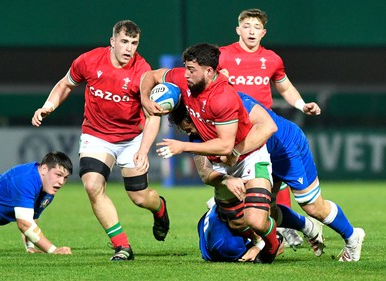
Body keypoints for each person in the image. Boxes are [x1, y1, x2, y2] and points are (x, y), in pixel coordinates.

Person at [31, 20, 169, 261]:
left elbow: (153, 116)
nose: (129, 48)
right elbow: (66, 84)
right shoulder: (89, 61)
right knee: (93, 185)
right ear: (112, 41)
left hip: (131, 138)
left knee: (139, 197)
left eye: (134, 43)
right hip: (96, 135)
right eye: (124, 42)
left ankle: (160, 209)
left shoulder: (142, 72)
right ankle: (122, 246)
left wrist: (144, 150)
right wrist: (48, 106)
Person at [170, 93, 365, 262]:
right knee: (263, 211)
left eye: (189, 128)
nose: (191, 133)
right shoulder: (204, 127)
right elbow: (206, 172)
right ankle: (308, 227)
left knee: (313, 206)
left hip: (285, 148)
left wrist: (233, 156)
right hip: (260, 155)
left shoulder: (227, 106)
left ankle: (352, 237)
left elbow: (267, 128)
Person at [140, 43, 282, 264]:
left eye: (191, 70)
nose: (185, 74)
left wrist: (183, 146)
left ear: (209, 71)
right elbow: (151, 76)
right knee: (236, 223)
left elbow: (226, 147)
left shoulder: (222, 97)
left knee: (255, 220)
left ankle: (272, 245)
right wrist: (145, 99)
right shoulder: (184, 80)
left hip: (250, 156)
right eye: (186, 68)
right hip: (223, 164)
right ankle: (261, 237)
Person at [218, 8, 322, 247]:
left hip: (262, 128)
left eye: (256, 27)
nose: (251, 31)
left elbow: (284, 87)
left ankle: (277, 230)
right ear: (238, 30)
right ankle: (280, 228)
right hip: (233, 127)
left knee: (270, 178)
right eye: (246, 26)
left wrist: (301, 104)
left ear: (263, 32)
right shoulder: (222, 56)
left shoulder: (272, 59)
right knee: (245, 179)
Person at [0, 151, 73, 255]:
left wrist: (30, 247)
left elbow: (31, 219)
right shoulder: (26, 179)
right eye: (58, 175)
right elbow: (24, 223)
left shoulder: (48, 189)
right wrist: (53, 250)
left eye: (65, 177)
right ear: (44, 169)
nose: (61, 182)